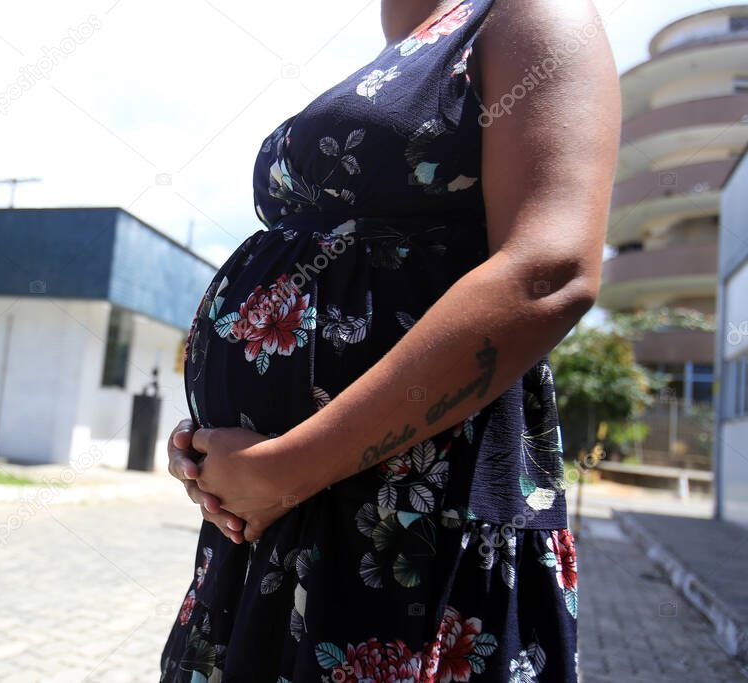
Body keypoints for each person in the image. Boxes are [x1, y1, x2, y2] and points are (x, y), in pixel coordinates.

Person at [161, 0, 619, 680]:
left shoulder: (525, 13)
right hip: (286, 522)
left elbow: (547, 270)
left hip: (409, 532)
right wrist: (220, 462)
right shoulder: (405, 52)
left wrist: (288, 466)